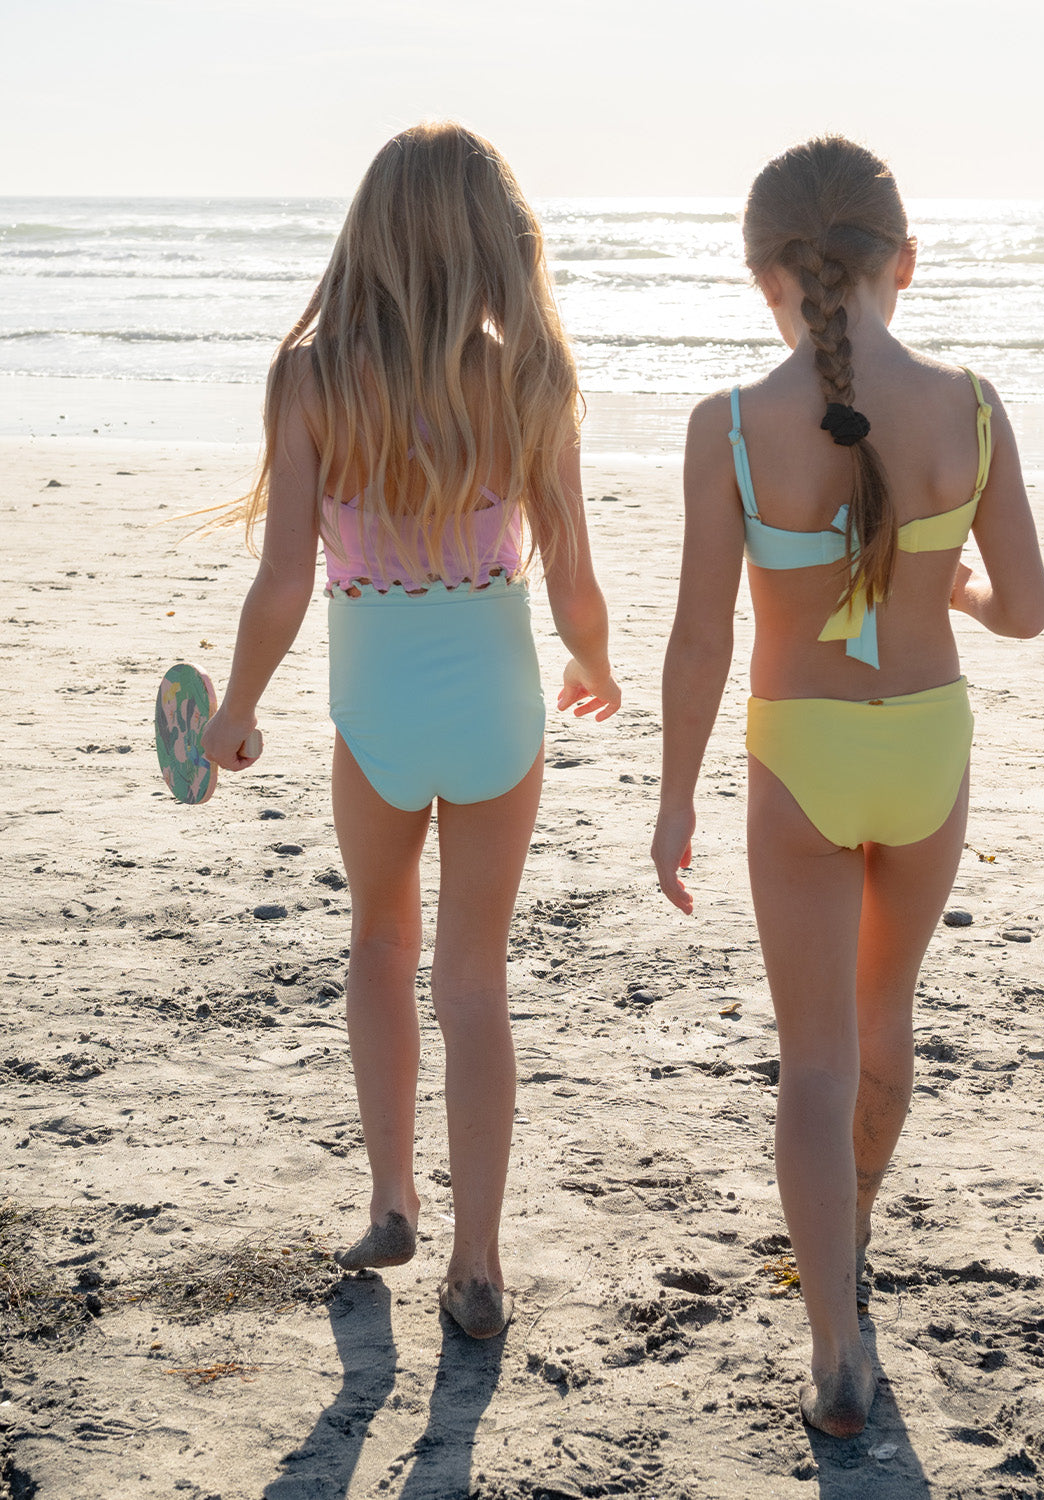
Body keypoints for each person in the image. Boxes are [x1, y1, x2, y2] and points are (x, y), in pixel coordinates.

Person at [651, 137, 1044, 1434]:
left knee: (811, 1059)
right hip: (925, 749)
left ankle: (833, 1344)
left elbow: (702, 635)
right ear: (905, 262)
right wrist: (955, 588)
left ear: (764, 275)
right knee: (886, 1016)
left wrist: (673, 797)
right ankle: (855, 1227)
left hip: (798, 758)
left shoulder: (729, 425)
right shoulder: (972, 409)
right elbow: (1028, 611)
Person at [200, 123, 620, 1340]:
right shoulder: (526, 378)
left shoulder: (315, 378)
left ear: (371, 234)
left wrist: (239, 708)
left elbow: (284, 579)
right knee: (474, 977)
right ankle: (477, 1263)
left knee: (381, 945)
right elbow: (575, 574)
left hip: (372, 704)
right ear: (491, 237)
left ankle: (392, 1201)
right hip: (493, 698)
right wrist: (593, 661)